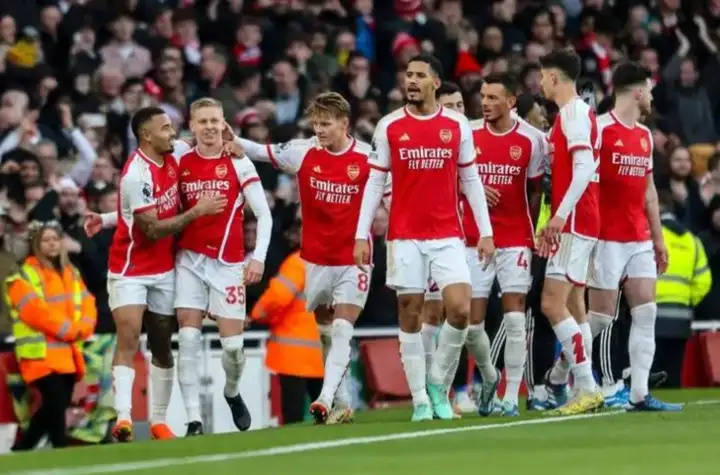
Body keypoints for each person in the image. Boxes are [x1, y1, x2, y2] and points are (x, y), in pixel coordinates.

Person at [353, 54, 495, 421]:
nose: (412, 81)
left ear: (435, 82)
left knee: (460, 309)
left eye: (419, 75)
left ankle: (436, 382)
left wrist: (486, 232)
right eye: (408, 75)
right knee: (410, 314)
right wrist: (361, 234)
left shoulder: (456, 124)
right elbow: (374, 183)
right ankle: (419, 399)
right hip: (405, 235)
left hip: (448, 233)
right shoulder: (389, 126)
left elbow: (471, 180)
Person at [86, 106, 227, 442]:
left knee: (162, 342)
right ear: (146, 136)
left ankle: (159, 421)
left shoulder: (173, 153)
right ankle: (123, 418)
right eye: (165, 128)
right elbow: (151, 230)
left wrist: (106, 219)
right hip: (131, 268)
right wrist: (197, 212)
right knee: (129, 335)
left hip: (165, 268)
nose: (172, 133)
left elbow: (206, 141)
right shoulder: (136, 175)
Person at [238, 92, 371, 425]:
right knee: (326, 328)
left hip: (354, 257)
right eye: (316, 124)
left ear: (344, 123)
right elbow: (261, 151)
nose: (319, 130)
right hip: (317, 257)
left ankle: (325, 398)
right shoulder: (303, 151)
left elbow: (394, 196)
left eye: (326, 124)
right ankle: (343, 402)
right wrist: (231, 139)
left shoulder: (368, 157)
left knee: (342, 327)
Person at [585, 62, 682, 411]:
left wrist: (658, 239)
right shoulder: (599, 129)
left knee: (646, 311)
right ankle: (564, 371)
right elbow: (585, 185)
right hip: (605, 237)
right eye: (650, 90)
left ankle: (639, 393)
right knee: (600, 318)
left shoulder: (644, 135)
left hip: (638, 237)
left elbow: (649, 192)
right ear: (638, 91)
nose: (652, 97)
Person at [173, 98, 271, 436]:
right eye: (202, 121)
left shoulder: (239, 161)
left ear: (224, 123)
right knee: (188, 338)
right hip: (188, 260)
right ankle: (193, 420)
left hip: (228, 264)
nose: (209, 127)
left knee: (232, 349)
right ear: (192, 125)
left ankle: (231, 391)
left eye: (215, 120)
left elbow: (264, 214)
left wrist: (257, 257)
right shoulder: (181, 160)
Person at [463, 73, 546, 416]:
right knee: (472, 325)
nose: (485, 103)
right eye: (483, 96)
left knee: (514, 319)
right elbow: (451, 178)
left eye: (493, 97)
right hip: (474, 237)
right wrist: (473, 186)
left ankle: (510, 395)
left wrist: (531, 231)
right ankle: (489, 375)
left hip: (514, 237)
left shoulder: (532, 140)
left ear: (511, 102)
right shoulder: (467, 133)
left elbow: (536, 190)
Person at [536, 49, 603, 415]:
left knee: (551, 303)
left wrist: (559, 217)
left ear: (555, 77)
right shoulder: (575, 114)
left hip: (575, 222)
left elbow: (583, 168)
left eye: (542, 76)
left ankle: (587, 386)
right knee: (576, 306)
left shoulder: (573, 113)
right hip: (584, 219)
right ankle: (582, 387)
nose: (540, 83)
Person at [6, 221, 96, 450]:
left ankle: (24, 447)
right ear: (36, 245)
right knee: (55, 403)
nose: (52, 244)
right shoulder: (24, 276)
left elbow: (87, 302)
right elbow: (35, 312)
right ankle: (59, 446)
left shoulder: (71, 272)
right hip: (40, 354)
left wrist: (82, 328)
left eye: (55, 239)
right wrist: (70, 330)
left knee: (56, 405)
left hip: (67, 353)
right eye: (46, 240)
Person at [249, 220, 324, 425]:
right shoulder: (327, 264)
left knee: (293, 417)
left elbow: (278, 296)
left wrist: (255, 315)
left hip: (294, 352)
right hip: (322, 352)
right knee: (327, 416)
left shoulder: (298, 262)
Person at [654, 190, 711, 387]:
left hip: (650, 313)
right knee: (674, 371)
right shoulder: (692, 240)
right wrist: (686, 300)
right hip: (681, 316)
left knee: (651, 372)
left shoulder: (649, 235)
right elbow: (704, 281)